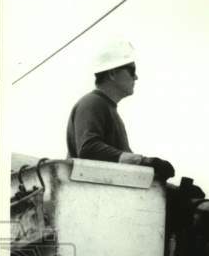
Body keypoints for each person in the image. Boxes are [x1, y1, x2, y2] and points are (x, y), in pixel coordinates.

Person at [66, 40, 174, 181]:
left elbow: (124, 167)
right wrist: (142, 161)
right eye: (132, 71)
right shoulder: (92, 103)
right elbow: (89, 149)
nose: (136, 77)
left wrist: (173, 190)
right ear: (113, 73)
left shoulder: (107, 108)